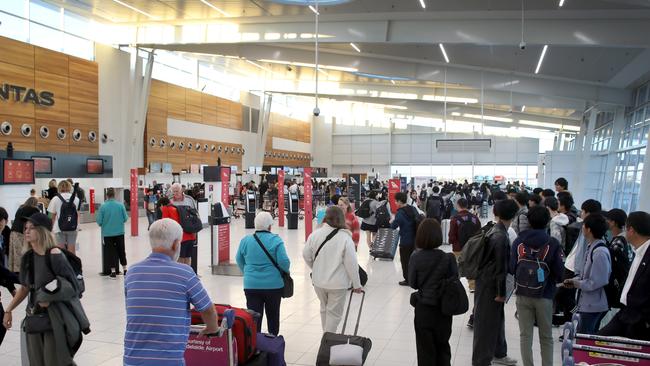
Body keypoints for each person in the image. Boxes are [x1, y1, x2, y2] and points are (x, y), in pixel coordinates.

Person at [123, 218, 218, 365]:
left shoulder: (132, 272)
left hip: (132, 360)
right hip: (168, 361)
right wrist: (212, 328)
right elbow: (207, 309)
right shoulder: (184, 272)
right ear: (175, 244)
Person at [2, 213, 88, 366]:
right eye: (25, 228)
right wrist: (8, 310)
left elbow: (74, 287)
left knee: (55, 359)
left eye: (32, 228)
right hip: (34, 316)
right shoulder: (28, 257)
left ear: (42, 231)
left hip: (55, 317)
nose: (27, 231)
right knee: (36, 360)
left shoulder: (55, 255)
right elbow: (25, 288)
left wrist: (50, 297)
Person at [510, 206, 564, 366]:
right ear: (547, 221)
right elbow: (559, 272)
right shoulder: (552, 243)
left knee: (525, 336)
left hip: (522, 293)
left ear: (529, 221)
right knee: (546, 336)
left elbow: (512, 267)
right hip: (545, 295)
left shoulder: (519, 241)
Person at [472, 199, 519, 366]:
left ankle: (499, 353)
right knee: (485, 325)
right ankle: (480, 362)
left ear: (496, 213)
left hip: (485, 282)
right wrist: (500, 293)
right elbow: (500, 268)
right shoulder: (501, 236)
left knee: (496, 320)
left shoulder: (494, 229)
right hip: (490, 286)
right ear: (514, 215)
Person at [303, 206, 362, 333]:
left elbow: (306, 255)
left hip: (318, 281)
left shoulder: (315, 235)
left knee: (324, 309)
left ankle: (326, 338)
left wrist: (315, 267)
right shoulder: (345, 238)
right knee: (334, 314)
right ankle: (327, 341)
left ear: (325, 217)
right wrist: (356, 284)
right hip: (337, 283)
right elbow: (351, 263)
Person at [409, 218, 458, 366]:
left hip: (424, 308)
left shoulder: (416, 257)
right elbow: (454, 280)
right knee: (443, 347)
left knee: (425, 350)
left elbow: (413, 283)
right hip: (444, 309)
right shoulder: (449, 258)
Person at [236, 212, 290, 336]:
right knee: (273, 315)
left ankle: (255, 342)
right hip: (273, 285)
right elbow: (284, 262)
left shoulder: (245, 240)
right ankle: (272, 340)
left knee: (254, 316)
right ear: (270, 226)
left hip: (251, 285)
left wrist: (248, 272)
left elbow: (239, 259)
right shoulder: (276, 240)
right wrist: (283, 271)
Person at [599, 211, 650, 340]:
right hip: (626, 312)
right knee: (597, 341)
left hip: (640, 319)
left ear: (631, 230)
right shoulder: (637, 251)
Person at [563, 214, 611, 334]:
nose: (582, 228)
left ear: (588, 229)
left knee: (585, 338)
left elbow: (597, 281)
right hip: (587, 303)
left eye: (583, 225)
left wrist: (577, 283)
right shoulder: (592, 247)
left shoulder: (599, 252)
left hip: (593, 305)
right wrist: (575, 281)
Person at [96, 188, 129, 278]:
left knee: (110, 252)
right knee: (121, 250)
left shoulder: (103, 206)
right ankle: (125, 269)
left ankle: (113, 271)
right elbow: (126, 218)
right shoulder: (120, 205)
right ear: (114, 195)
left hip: (107, 234)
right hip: (119, 233)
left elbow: (99, 221)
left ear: (107, 195)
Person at [170, 183, 198, 272]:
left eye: (177, 191)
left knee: (188, 256)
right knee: (179, 256)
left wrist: (195, 231)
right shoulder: (170, 201)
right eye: (173, 192)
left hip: (189, 233)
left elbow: (196, 215)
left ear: (181, 190)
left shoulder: (189, 200)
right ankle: (180, 273)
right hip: (176, 234)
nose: (175, 193)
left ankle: (188, 273)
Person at [391, 192, 418, 286]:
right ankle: (415, 278)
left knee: (405, 261)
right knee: (414, 260)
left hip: (405, 241)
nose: (395, 202)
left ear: (399, 201)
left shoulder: (400, 213)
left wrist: (391, 221)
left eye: (395, 201)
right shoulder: (413, 209)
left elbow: (393, 226)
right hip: (415, 239)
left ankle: (408, 280)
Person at [47, 180, 80, 254]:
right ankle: (72, 264)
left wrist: (50, 229)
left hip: (59, 228)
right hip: (73, 227)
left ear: (59, 188)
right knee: (72, 248)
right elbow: (77, 214)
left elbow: (51, 216)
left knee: (61, 250)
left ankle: (62, 264)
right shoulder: (76, 199)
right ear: (69, 187)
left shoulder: (55, 199)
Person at [9, 197, 40, 273]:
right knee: (23, 252)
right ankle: (22, 271)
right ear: (35, 203)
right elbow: (36, 222)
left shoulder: (20, 208)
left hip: (13, 231)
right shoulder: (35, 210)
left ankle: (15, 271)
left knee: (15, 253)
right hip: (22, 232)